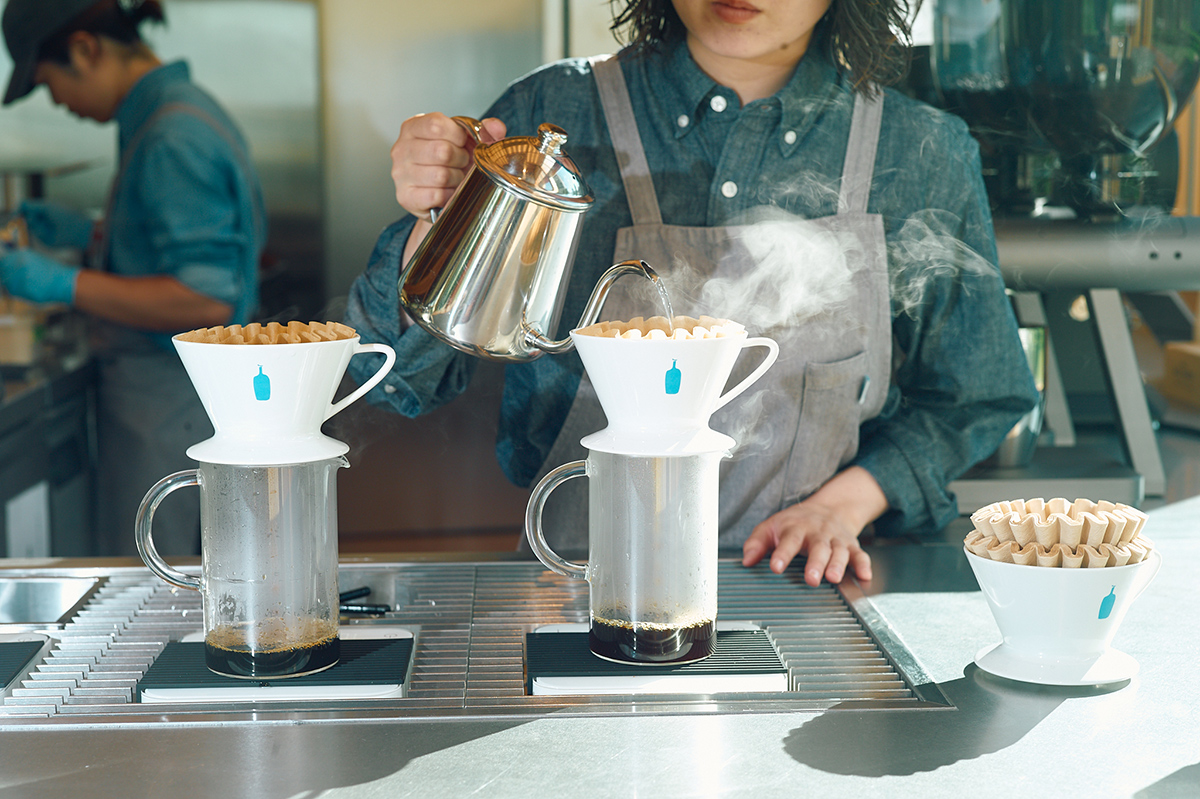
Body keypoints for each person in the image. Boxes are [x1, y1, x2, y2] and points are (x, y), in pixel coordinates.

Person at [345, 0, 1038, 586]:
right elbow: (395, 378)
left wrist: (845, 505)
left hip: (802, 586)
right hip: (572, 585)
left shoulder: (922, 152)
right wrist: (433, 219)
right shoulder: (551, 114)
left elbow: (975, 396)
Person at [0, 0, 266, 556]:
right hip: (166, 398)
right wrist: (94, 234)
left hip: (168, 403)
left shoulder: (171, 135)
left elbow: (204, 298)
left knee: (158, 580)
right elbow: (173, 245)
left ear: (84, 49)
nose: (59, 104)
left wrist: (60, 284)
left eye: (50, 85)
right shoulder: (171, 114)